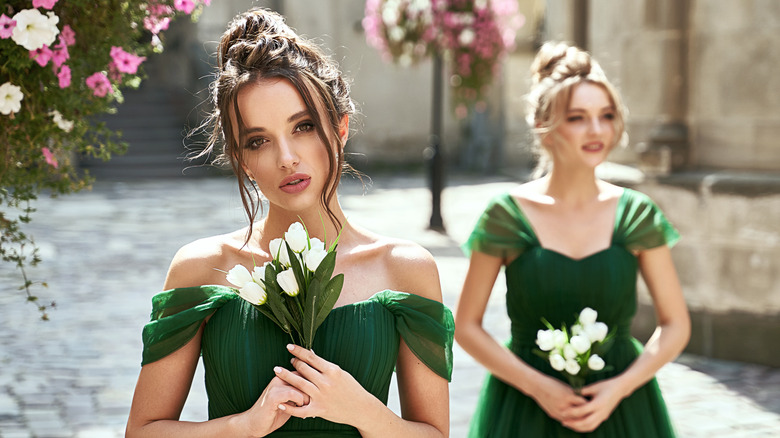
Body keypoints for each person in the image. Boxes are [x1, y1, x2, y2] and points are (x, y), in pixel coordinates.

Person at [125, 8, 453, 438]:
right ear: (241, 158)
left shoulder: (404, 269)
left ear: (340, 128)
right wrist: (243, 426)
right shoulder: (203, 268)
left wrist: (364, 413)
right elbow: (143, 431)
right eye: (258, 140)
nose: (286, 158)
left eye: (303, 127)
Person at [454, 41, 690, 437]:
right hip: (524, 410)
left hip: (623, 408)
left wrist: (619, 389)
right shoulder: (506, 216)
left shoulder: (637, 214)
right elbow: (467, 326)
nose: (597, 130)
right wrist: (538, 388)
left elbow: (675, 325)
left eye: (606, 115)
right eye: (578, 118)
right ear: (544, 127)